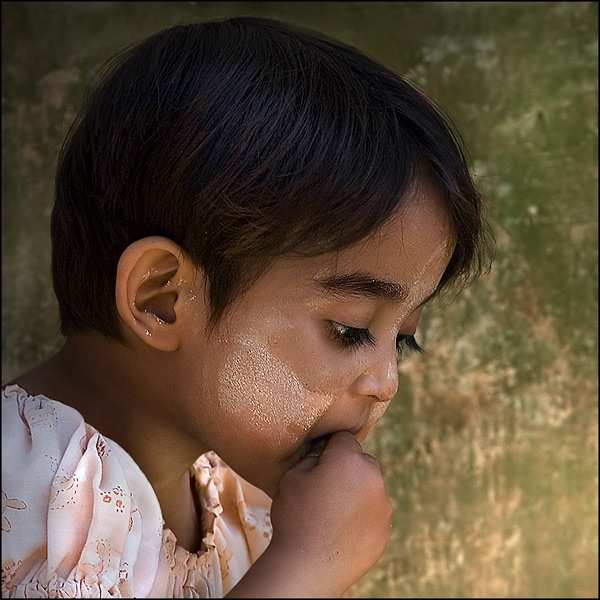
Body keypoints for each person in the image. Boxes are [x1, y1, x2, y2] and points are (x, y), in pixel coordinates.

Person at [1, 15, 492, 598]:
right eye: (349, 329)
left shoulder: (238, 498)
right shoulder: (36, 495)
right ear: (161, 298)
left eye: (403, 338)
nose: (385, 383)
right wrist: (309, 567)